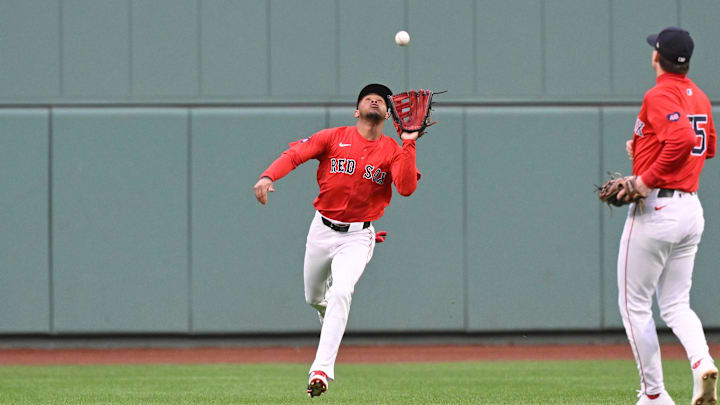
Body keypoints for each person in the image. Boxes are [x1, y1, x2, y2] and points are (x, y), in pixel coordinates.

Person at [253, 83, 424, 397]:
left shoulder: (393, 150)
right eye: (367, 97)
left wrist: (410, 143)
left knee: (343, 290)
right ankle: (325, 309)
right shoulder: (333, 137)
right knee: (314, 298)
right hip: (321, 230)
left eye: (381, 99)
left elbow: (406, 187)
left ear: (389, 114)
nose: (375, 99)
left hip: (358, 236)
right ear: (356, 110)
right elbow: (294, 155)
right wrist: (268, 176)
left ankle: (320, 370)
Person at [618, 27, 717, 405]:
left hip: (657, 207)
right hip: (690, 209)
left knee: (634, 305)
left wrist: (645, 178)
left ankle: (654, 396)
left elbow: (682, 141)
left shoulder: (659, 93)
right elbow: (705, 149)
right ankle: (702, 361)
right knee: (676, 303)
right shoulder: (700, 97)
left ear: (657, 56)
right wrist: (644, 146)